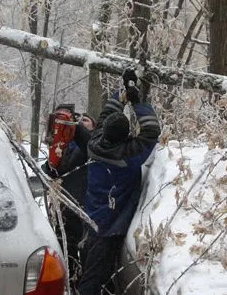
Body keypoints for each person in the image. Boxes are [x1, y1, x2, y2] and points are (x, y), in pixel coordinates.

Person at [78, 69, 161, 295]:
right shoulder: (128, 158)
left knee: (91, 272)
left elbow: (107, 113)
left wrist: (124, 91)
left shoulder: (94, 144)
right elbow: (152, 131)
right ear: (126, 136)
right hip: (109, 228)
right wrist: (137, 102)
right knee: (93, 280)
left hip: (93, 217)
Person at [42, 111, 96, 292]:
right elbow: (51, 170)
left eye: (86, 120)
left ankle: (83, 285)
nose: (81, 122)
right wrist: (52, 161)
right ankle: (71, 284)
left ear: (94, 126)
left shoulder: (96, 143)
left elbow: (88, 144)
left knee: (85, 249)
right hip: (65, 204)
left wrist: (76, 127)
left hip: (84, 205)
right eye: (79, 120)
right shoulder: (65, 144)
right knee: (67, 247)